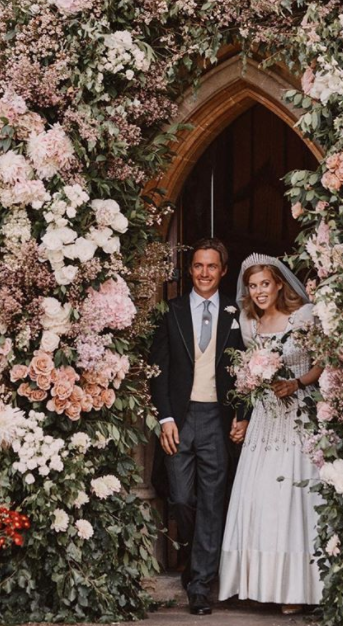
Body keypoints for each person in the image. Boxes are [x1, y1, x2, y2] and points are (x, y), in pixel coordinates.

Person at [218, 253, 324, 615]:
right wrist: (243, 415)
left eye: (265, 284)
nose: (259, 291)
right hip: (265, 419)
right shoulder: (250, 323)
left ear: (279, 283)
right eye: (253, 286)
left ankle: (297, 588)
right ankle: (259, 583)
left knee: (293, 500)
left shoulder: (304, 317)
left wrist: (296, 382)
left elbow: (321, 361)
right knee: (261, 497)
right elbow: (248, 380)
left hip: (298, 415)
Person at [150, 238, 247, 617]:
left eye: (211, 267)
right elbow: (158, 370)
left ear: (223, 271)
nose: (204, 273)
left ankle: (201, 585)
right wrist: (165, 418)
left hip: (216, 419)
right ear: (190, 270)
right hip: (180, 417)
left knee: (211, 501)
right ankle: (193, 558)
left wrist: (241, 413)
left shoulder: (234, 314)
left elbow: (245, 372)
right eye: (198, 266)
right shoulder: (171, 311)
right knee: (181, 498)